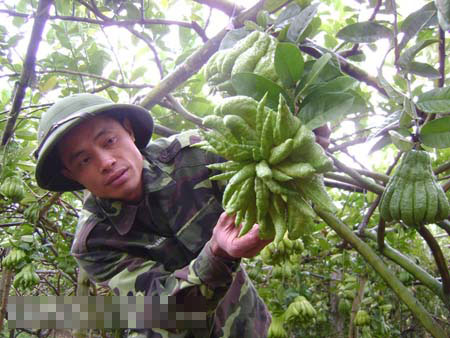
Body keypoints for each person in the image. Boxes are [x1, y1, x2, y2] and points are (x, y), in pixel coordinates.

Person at [34, 93, 272, 337]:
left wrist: (306, 137)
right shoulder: (95, 243)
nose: (106, 162)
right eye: (84, 160)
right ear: (71, 174)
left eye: (109, 141)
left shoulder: (196, 156)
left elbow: (270, 167)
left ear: (129, 131)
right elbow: (162, 313)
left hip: (249, 325)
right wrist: (217, 254)